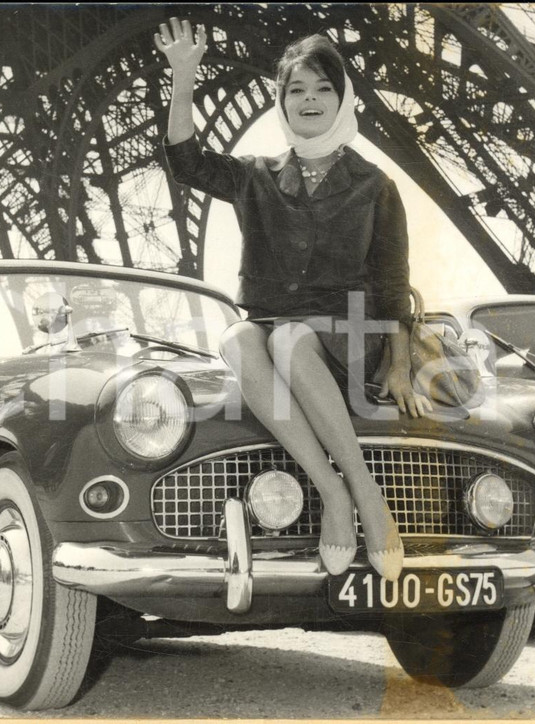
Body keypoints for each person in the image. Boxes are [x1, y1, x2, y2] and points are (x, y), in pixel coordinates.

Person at [155, 19, 431, 580]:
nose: (310, 100)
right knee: (238, 335)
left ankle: (367, 496)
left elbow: (392, 284)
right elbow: (186, 161)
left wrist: (401, 365)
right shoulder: (258, 176)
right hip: (278, 335)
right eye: (296, 90)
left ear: (344, 97)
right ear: (280, 102)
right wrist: (184, 77)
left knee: (291, 336)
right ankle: (336, 494)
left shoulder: (375, 185)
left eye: (323, 88)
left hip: (350, 338)